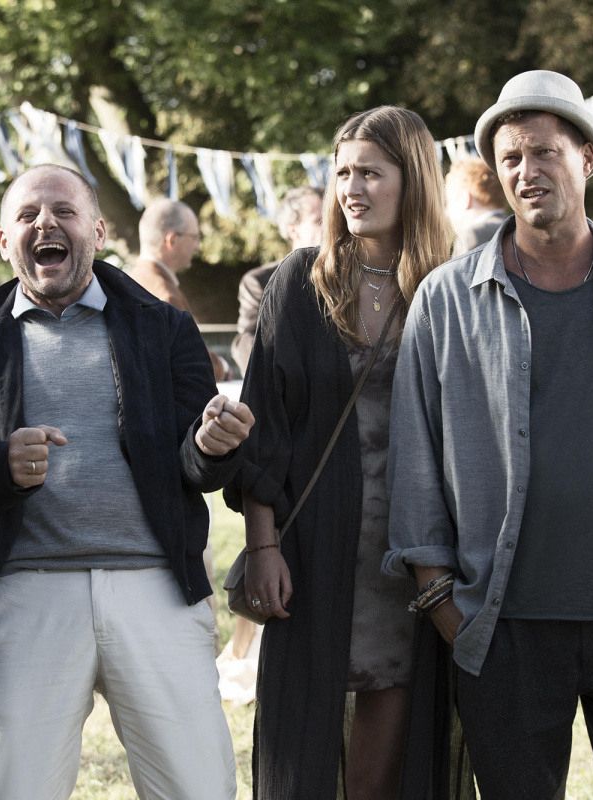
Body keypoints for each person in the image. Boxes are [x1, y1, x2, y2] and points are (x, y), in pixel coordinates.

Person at [385, 69, 593, 797]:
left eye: (544, 152)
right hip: (503, 626)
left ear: (587, 158)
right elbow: (414, 457)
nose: (526, 171)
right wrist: (443, 604)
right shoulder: (447, 298)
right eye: (510, 158)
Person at [0, 163, 255, 800]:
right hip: (27, 589)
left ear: (97, 231)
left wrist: (210, 444)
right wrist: (1, 467)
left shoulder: (163, 325)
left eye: (64, 211)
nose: (46, 224)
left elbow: (195, 462)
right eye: (27, 215)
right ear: (4, 242)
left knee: (198, 788)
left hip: (157, 587)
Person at [228, 106, 466, 799]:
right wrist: (263, 545)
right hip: (315, 540)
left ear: (412, 179)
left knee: (396, 708)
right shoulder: (301, 281)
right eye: (342, 174)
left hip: (415, 544)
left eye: (371, 173)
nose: (352, 189)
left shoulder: (448, 284)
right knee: (302, 725)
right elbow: (265, 427)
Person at [128, 198, 230, 380]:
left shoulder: (129, 281)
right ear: (172, 240)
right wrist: (222, 367)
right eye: (194, 237)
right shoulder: (166, 297)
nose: (197, 246)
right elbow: (193, 363)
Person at [230, 186, 323, 375]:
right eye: (319, 221)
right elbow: (248, 343)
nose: (330, 227)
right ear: (293, 230)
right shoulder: (260, 281)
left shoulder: (351, 274)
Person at [444, 156, 506, 256]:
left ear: (464, 198)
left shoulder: (471, 237)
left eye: (449, 201)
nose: (447, 212)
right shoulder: (515, 228)